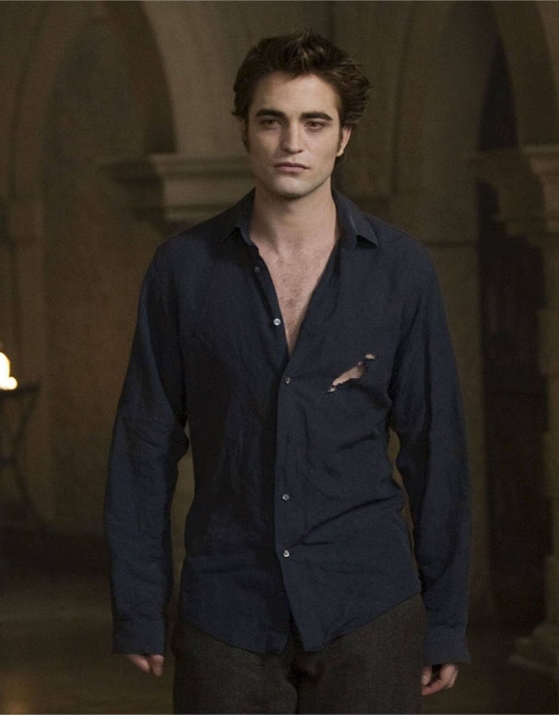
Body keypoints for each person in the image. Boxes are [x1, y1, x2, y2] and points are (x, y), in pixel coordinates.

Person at [105, 30, 470, 714]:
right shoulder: (183, 270)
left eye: (314, 123)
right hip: (227, 609)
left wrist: (445, 617)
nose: (291, 143)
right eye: (271, 120)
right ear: (244, 130)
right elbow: (143, 445)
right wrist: (139, 605)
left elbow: (436, 449)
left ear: (343, 138)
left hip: (370, 606)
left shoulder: (401, 271)